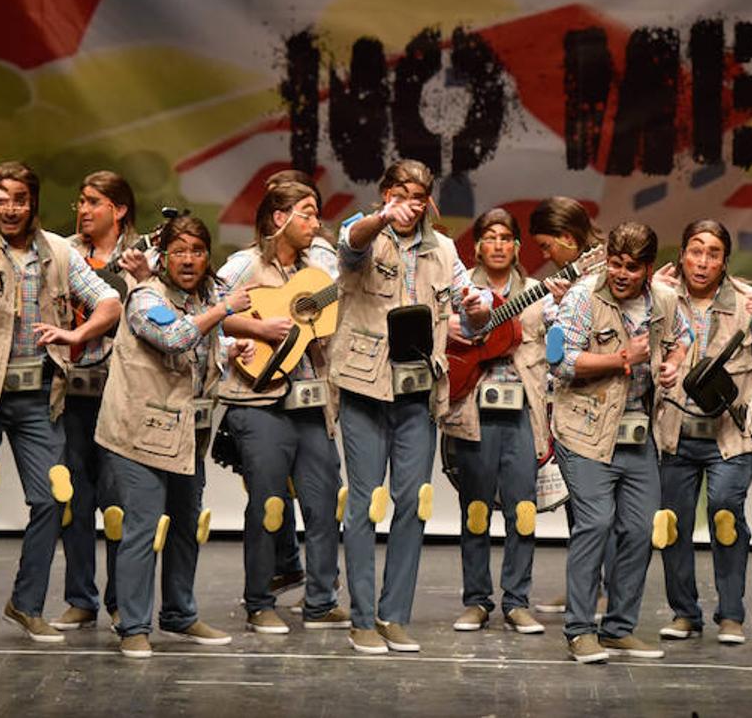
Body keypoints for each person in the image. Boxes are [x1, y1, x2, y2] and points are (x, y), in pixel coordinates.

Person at [0, 161, 121, 654]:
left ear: (32, 202)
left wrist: (77, 334)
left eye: (20, 198)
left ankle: (27, 604)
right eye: (1, 199)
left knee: (51, 499)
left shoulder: (58, 251)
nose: (11, 208)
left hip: (37, 394)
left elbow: (110, 301)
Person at [332, 159, 492, 654]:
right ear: (384, 193)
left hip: (418, 390)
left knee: (412, 505)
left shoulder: (443, 249)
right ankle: (361, 618)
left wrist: (478, 307)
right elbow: (350, 244)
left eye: (420, 197)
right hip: (364, 386)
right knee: (363, 503)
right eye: (402, 194)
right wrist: (383, 216)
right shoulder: (365, 232)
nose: (412, 205)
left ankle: (393, 615)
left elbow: (469, 305)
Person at [95, 215, 251, 657]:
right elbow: (176, 337)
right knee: (143, 530)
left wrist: (231, 346)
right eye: (179, 251)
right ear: (163, 257)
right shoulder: (147, 297)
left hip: (187, 434)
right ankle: (134, 627)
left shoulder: (207, 293)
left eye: (197, 251)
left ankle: (180, 614)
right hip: (139, 434)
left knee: (186, 526)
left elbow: (206, 340)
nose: (189, 260)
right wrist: (223, 313)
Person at [550, 221, 689, 663]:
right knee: (594, 523)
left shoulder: (664, 300)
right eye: (614, 263)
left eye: (631, 267)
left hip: (637, 433)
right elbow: (563, 361)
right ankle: (578, 630)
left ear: (648, 268)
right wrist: (621, 357)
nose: (621, 273)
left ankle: (618, 628)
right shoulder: (582, 297)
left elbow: (683, 338)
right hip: (584, 429)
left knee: (637, 528)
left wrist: (672, 366)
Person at [217, 181, 348, 635]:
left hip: (313, 401)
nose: (316, 224)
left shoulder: (323, 270)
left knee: (324, 501)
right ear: (280, 218)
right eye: (308, 214)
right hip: (259, 400)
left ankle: (322, 601)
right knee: (269, 504)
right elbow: (208, 315)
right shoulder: (242, 266)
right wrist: (258, 328)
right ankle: (260, 601)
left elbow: (338, 309)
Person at [651, 220, 752, 646]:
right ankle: (684, 612)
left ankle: (731, 614)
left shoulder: (748, 302)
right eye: (695, 250)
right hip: (673, 432)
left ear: (725, 261)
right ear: (682, 253)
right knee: (672, 524)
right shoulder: (660, 296)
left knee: (725, 512)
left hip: (730, 435)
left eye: (713, 253)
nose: (703, 262)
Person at [443, 209, 549, 635]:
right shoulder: (458, 290)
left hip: (522, 412)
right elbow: (438, 334)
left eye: (507, 237)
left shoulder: (540, 293)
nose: (500, 245)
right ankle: (476, 601)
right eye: (491, 237)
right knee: (475, 510)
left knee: (523, 510)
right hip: (472, 411)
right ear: (478, 246)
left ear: (518, 247)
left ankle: (518, 601)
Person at [51, 171, 142, 631]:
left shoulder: (144, 255)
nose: (83, 210)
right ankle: (80, 596)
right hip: (71, 391)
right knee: (74, 497)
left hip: (121, 393)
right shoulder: (62, 253)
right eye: (80, 201)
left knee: (120, 499)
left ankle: (122, 598)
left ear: (119, 209)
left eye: (93, 202)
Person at [526, 196, 607, 616]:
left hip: (603, 401)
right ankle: (587, 590)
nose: (544, 256)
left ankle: (608, 593)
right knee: (579, 500)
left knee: (601, 504)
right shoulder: (571, 277)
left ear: (569, 238)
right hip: (569, 400)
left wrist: (564, 306)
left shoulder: (608, 271)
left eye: (547, 246)